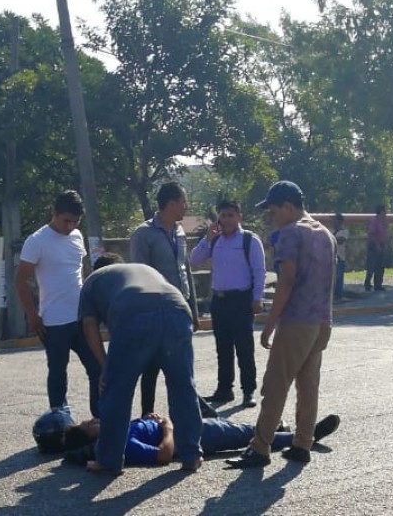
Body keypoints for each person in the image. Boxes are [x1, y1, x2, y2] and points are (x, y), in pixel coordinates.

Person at [226, 181, 338, 468]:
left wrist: (269, 324)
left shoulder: (289, 234)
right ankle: (302, 444)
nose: (272, 218)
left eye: (274, 211)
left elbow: (286, 281)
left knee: (276, 384)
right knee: (308, 385)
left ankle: (260, 448)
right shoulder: (326, 234)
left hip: (297, 320)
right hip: (322, 320)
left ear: (288, 207)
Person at [78, 255, 203, 474]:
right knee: (183, 386)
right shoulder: (144, 267)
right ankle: (191, 455)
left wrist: (105, 368)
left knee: (117, 390)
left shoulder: (91, 281)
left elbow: (89, 328)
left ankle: (109, 461)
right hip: (178, 309)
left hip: (134, 313)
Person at [15, 190, 101, 417]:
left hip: (82, 317)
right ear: (54, 212)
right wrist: (32, 315)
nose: (70, 226)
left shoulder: (77, 236)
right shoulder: (37, 241)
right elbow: (20, 281)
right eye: (66, 221)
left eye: (75, 221)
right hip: (54, 320)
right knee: (58, 372)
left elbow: (80, 271)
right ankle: (60, 421)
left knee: (97, 367)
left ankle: (101, 418)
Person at [130, 182, 200, 417]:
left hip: (181, 309)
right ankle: (147, 416)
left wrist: (194, 310)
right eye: (183, 201)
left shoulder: (179, 231)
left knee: (182, 368)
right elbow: (139, 274)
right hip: (157, 311)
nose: (186, 206)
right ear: (171, 203)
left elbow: (185, 269)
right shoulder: (144, 233)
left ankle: (182, 416)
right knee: (151, 367)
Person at [190, 199, 266, 408]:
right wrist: (207, 238)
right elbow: (194, 259)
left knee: (244, 349)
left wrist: (257, 298)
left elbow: (259, 271)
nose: (226, 219)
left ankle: (248, 391)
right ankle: (224, 390)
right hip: (219, 301)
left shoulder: (249, 240)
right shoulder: (214, 240)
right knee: (222, 349)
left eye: (231, 215)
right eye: (223, 215)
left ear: (239, 217)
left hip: (241, 301)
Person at [60, 412, 341, 467]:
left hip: (189, 426)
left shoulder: (114, 435)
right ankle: (305, 435)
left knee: (237, 427)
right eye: (90, 424)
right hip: (189, 435)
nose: (95, 420)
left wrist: (148, 418)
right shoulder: (118, 444)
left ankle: (283, 429)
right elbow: (163, 455)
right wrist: (167, 427)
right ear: (91, 438)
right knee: (249, 436)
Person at [363, 204, 388, 292]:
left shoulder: (383, 221)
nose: (386, 213)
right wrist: (377, 245)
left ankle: (378, 284)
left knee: (380, 266)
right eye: (385, 211)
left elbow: (384, 234)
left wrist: (384, 245)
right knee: (371, 265)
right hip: (374, 245)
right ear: (381, 211)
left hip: (382, 244)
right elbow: (372, 234)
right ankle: (367, 284)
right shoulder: (374, 220)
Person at [333, 213, 349, 300]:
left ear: (339, 221)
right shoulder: (332, 231)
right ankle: (333, 294)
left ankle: (338, 295)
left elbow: (340, 240)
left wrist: (331, 237)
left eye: (335, 220)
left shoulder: (344, 232)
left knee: (338, 277)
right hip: (331, 257)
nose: (333, 222)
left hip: (340, 257)